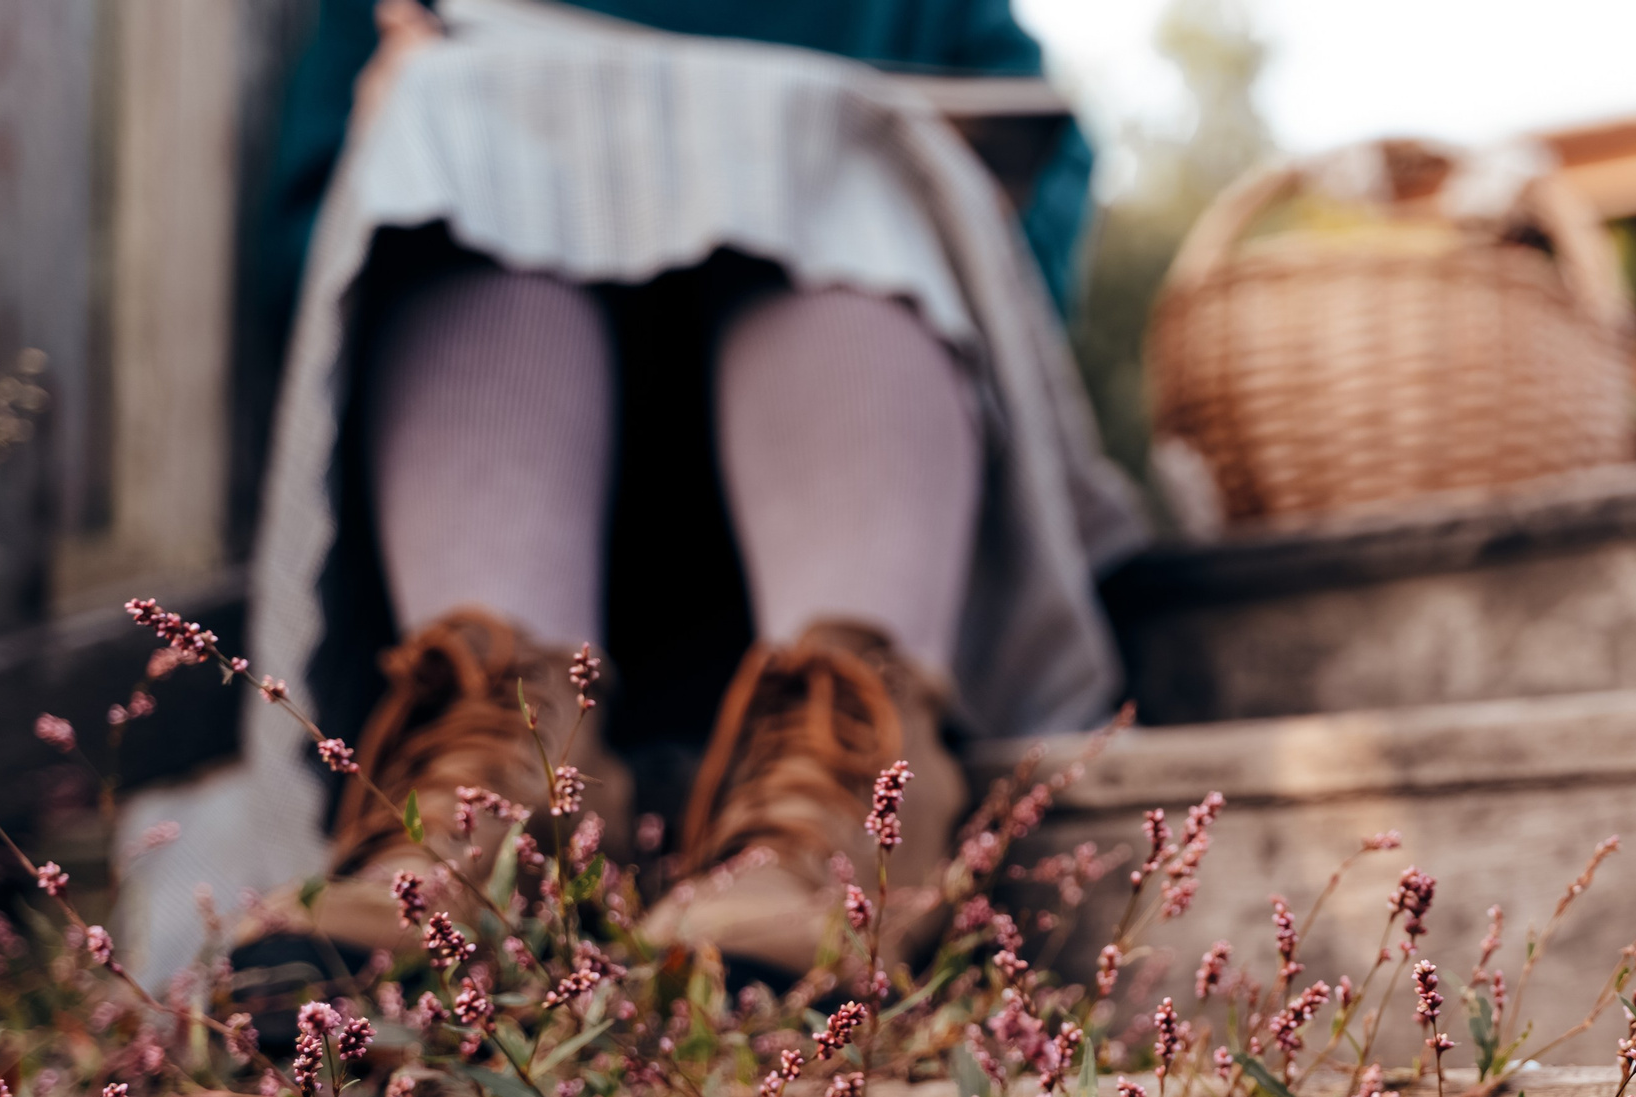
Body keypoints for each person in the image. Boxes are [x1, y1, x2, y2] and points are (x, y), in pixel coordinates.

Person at [228, 0, 1139, 993]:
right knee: (453, 131)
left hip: (855, 500)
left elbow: (1037, 163)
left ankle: (847, 767)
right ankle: (496, 769)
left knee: (859, 166)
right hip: (510, 511)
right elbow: (308, 258)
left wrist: (967, 216)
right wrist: (375, 153)